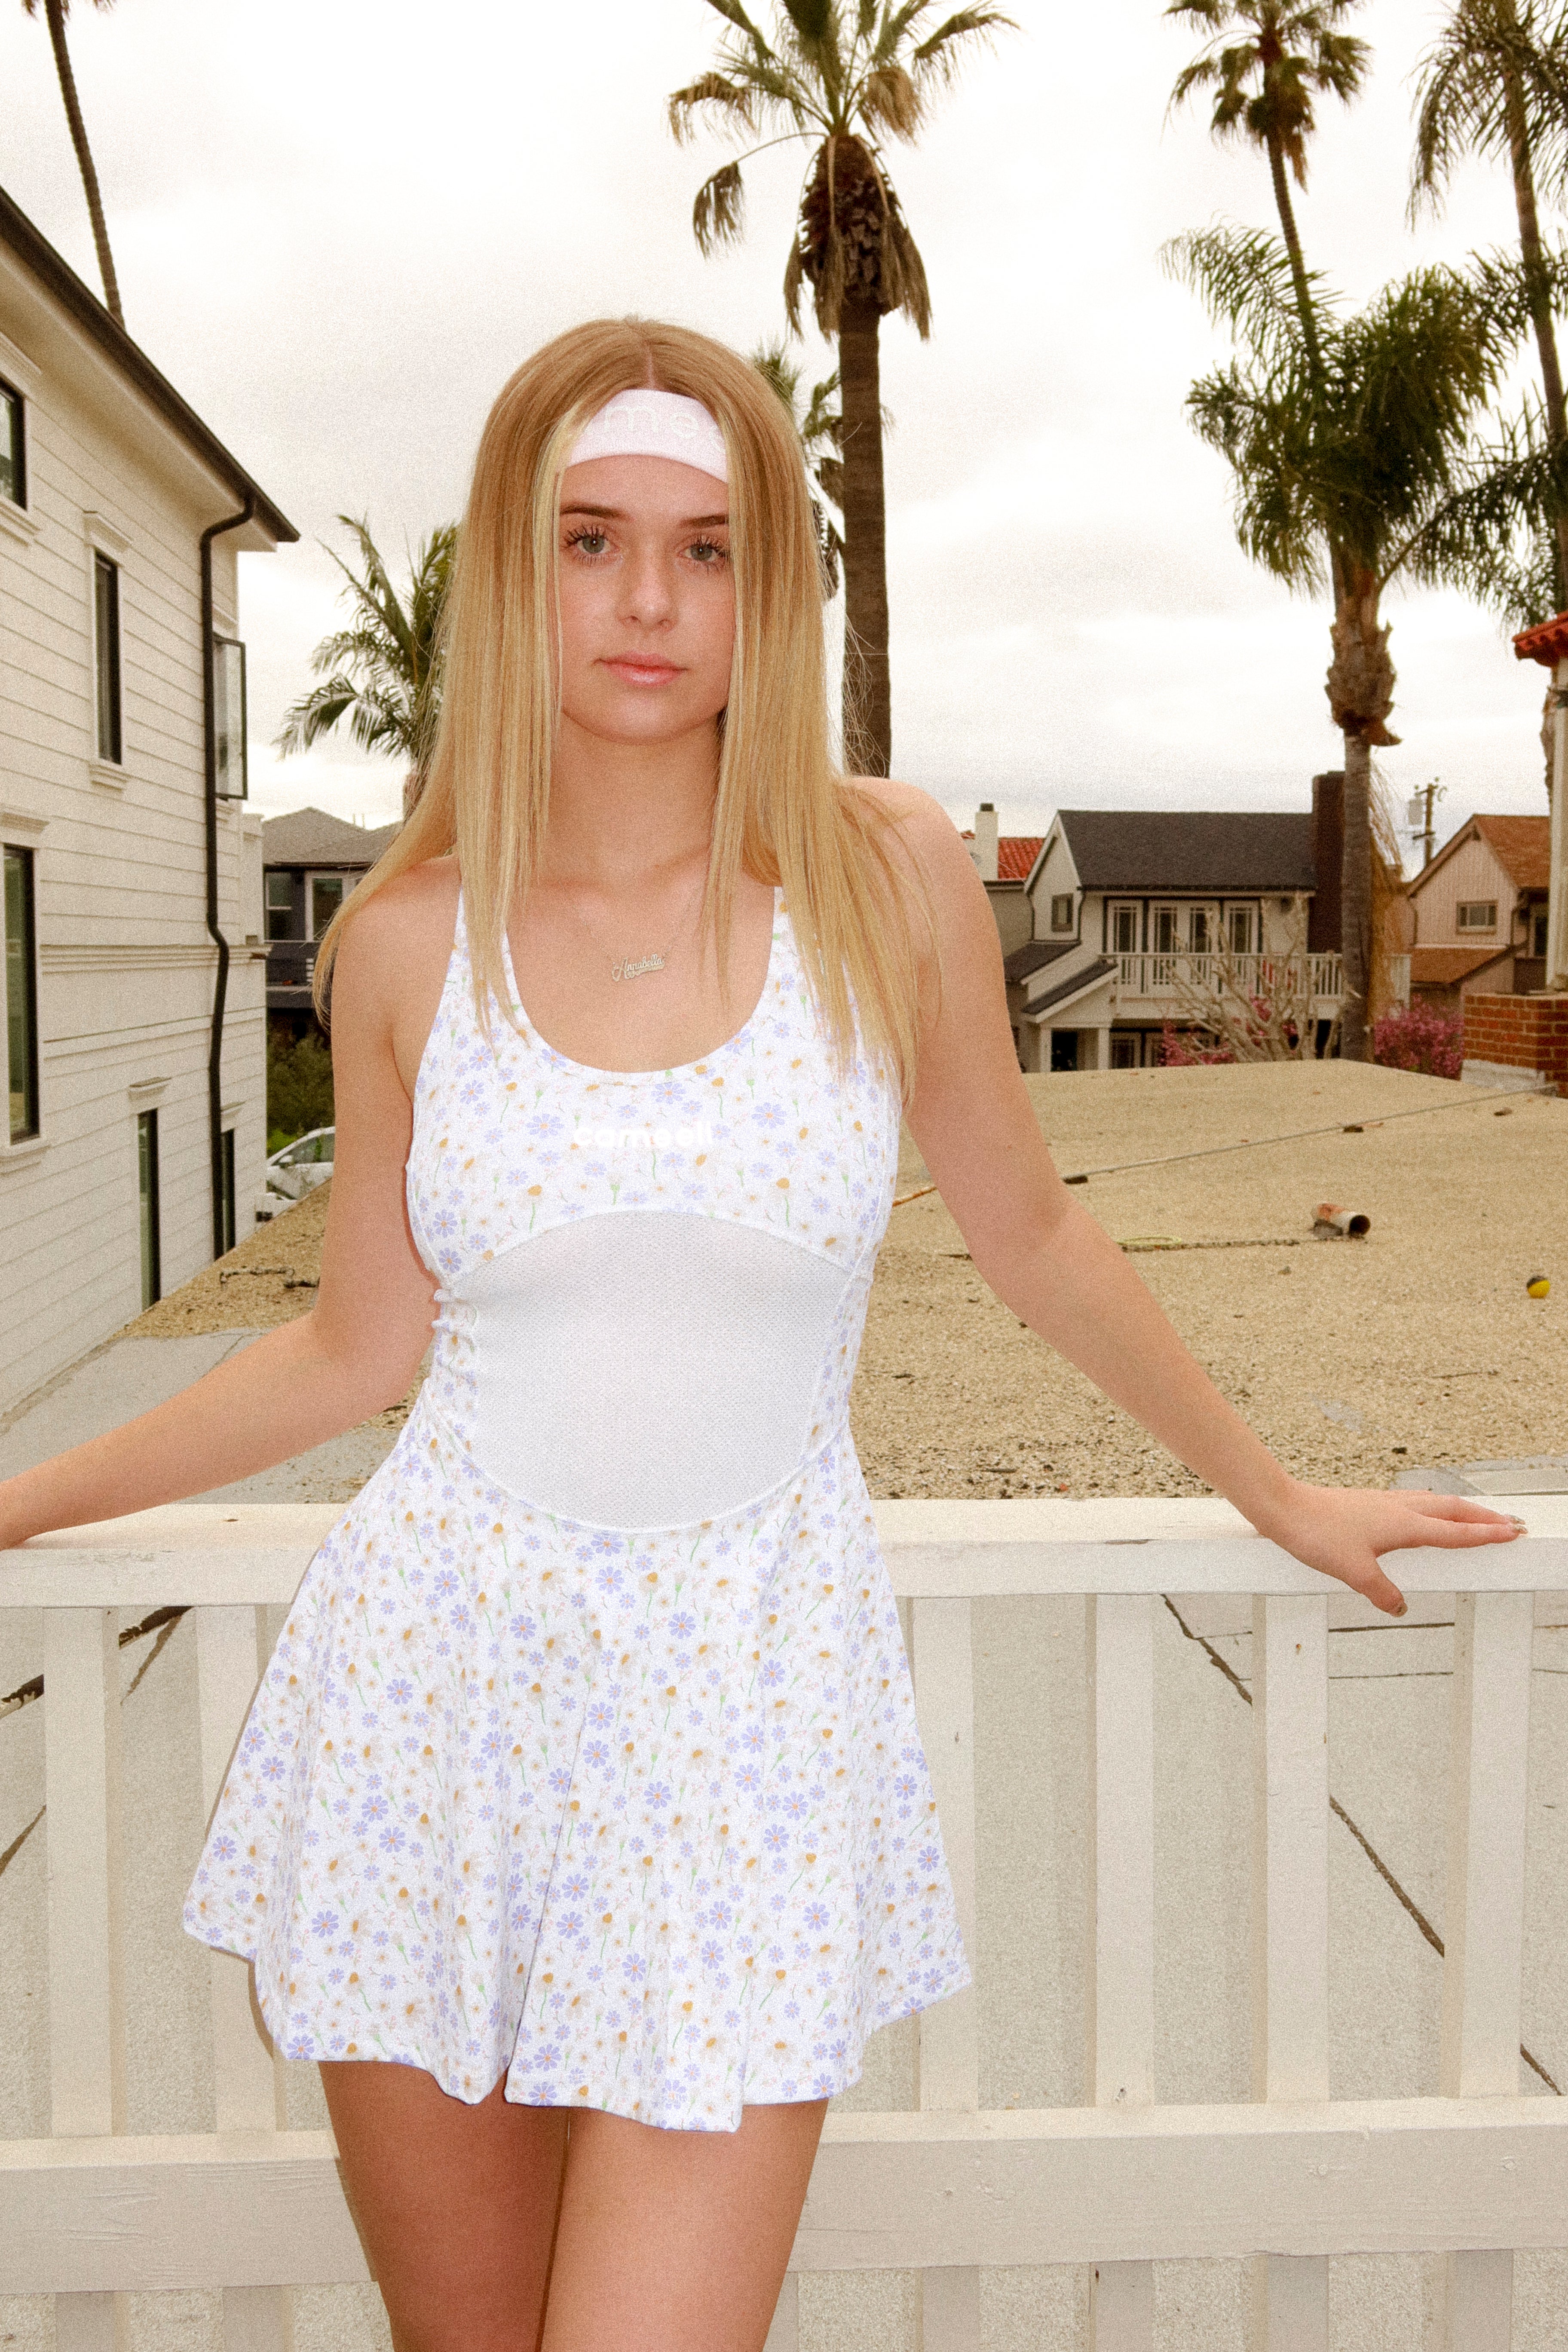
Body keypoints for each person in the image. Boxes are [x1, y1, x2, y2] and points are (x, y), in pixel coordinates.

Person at [0, 318, 1522, 2352]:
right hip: (433, 1725)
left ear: (771, 586)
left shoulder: (887, 877)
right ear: (515, 568)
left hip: (745, 1733)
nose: (650, 599)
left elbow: (1035, 1233)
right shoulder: (407, 943)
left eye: (709, 548)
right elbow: (350, 1353)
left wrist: (1277, 1489)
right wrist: (17, 1503)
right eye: (594, 539)